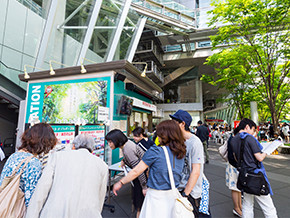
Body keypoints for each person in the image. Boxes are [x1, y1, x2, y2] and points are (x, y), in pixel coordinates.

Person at [113, 120, 186, 218]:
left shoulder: (156, 151)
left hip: (156, 197)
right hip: (173, 195)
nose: (157, 136)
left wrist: (120, 182)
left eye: (159, 133)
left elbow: (136, 171)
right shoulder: (180, 151)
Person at [25, 134, 108, 218]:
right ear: (92, 150)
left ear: (73, 146)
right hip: (87, 214)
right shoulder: (102, 165)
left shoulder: (57, 157)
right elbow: (100, 198)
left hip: (55, 212)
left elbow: (42, 189)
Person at [0, 123, 57, 207]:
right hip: (17, 211)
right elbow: (31, 201)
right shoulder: (33, 163)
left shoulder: (14, 155)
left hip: (4, 206)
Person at [230, 118, 277, 218]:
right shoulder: (250, 139)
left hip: (243, 175)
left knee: (247, 204)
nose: (253, 132)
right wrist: (267, 151)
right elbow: (259, 158)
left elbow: (234, 158)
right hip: (255, 176)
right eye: (253, 129)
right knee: (268, 206)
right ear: (247, 127)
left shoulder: (233, 139)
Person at [170, 110, 210, 217]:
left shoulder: (195, 142)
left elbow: (196, 171)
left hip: (191, 193)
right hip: (178, 189)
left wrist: (185, 194)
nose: (171, 124)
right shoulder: (176, 141)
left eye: (174, 121)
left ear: (182, 124)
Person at [105, 129, 146, 218]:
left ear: (116, 140)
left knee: (140, 205)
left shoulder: (128, 149)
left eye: (110, 142)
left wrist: (144, 187)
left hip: (141, 178)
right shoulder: (126, 145)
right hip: (139, 177)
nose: (109, 144)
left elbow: (138, 170)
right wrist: (124, 160)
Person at [226, 128, 242, 217]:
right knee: (235, 188)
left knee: (238, 188)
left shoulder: (233, 139)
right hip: (234, 167)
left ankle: (239, 206)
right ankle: (237, 208)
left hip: (234, 166)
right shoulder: (233, 140)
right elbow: (232, 157)